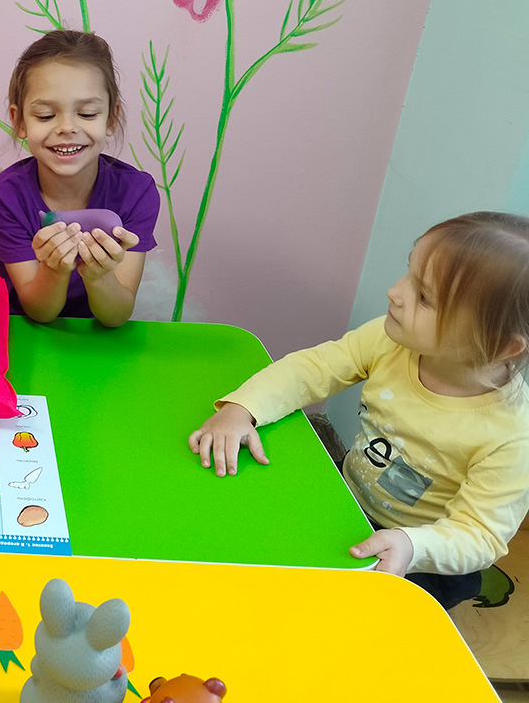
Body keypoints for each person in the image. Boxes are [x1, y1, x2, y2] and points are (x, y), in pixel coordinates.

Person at [189, 212, 529, 608]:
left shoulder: (512, 436)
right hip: (347, 500)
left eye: (424, 298)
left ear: (502, 346)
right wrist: (242, 408)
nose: (395, 293)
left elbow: (479, 535)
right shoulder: (391, 342)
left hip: (418, 556)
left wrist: (412, 544)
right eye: (409, 274)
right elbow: (312, 369)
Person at [0, 30, 159, 325]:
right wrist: (53, 271)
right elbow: (39, 312)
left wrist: (99, 277)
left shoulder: (136, 192)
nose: (67, 127)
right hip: (27, 334)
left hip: (100, 339)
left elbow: (116, 316)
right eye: (45, 115)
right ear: (19, 120)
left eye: (87, 114)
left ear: (111, 118)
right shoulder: (3, 198)